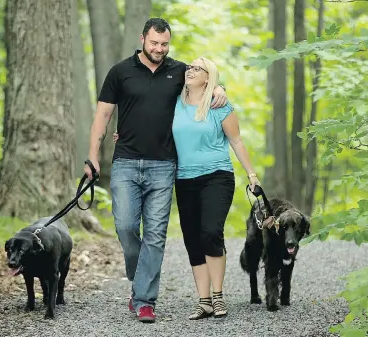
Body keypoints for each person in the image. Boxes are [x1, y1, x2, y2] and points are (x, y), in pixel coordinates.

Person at [83, 18, 228, 323]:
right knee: (124, 226)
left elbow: (205, 79)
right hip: (124, 163)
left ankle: (145, 301)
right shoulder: (120, 72)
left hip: (164, 166)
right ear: (143, 39)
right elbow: (102, 116)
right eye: (154, 43)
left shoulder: (178, 71)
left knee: (155, 236)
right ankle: (140, 284)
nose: (159, 49)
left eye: (164, 44)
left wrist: (221, 89)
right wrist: (92, 157)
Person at [115, 57, 260, 320]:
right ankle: (203, 301)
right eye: (189, 67)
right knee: (192, 239)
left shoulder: (220, 106)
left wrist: (251, 173)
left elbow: (236, 141)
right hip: (184, 179)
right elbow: (149, 119)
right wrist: (124, 132)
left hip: (217, 176)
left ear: (209, 77)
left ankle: (218, 296)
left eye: (197, 69)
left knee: (211, 232)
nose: (190, 71)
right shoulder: (176, 104)